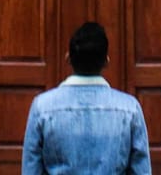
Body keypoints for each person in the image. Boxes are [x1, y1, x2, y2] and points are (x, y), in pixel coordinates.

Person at [22, 22, 151, 174]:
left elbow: (31, 170)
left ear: (68, 58)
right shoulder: (130, 109)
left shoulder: (42, 107)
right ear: (106, 61)